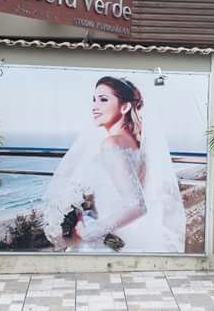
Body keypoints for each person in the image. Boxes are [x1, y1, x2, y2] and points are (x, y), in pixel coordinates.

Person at [41, 76, 186, 253]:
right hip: (126, 235)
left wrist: (89, 231)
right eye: (94, 100)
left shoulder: (112, 144)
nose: (94, 107)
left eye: (103, 100)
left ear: (124, 107)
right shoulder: (136, 144)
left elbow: (137, 206)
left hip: (109, 240)